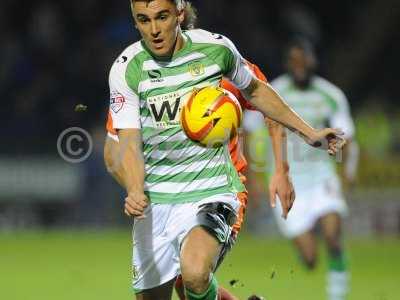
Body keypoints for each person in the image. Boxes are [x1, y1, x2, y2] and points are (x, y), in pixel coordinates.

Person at [106, 1, 345, 299]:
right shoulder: (127, 69)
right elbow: (123, 142)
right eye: (143, 20)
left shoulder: (217, 53)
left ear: (180, 15)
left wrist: (305, 139)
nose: (154, 30)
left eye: (162, 18)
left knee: (193, 274)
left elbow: (259, 93)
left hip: (213, 189)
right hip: (157, 201)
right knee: (177, 288)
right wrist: (134, 188)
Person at [267, 38, 359, 300]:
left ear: (313, 62)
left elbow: (347, 138)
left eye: (304, 60)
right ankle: (306, 248)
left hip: (322, 177)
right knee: (310, 260)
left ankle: (336, 296)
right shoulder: (275, 92)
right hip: (291, 181)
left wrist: (347, 173)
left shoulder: (330, 95)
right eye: (294, 61)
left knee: (333, 237)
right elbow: (251, 130)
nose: (299, 66)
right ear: (287, 64)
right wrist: (253, 175)